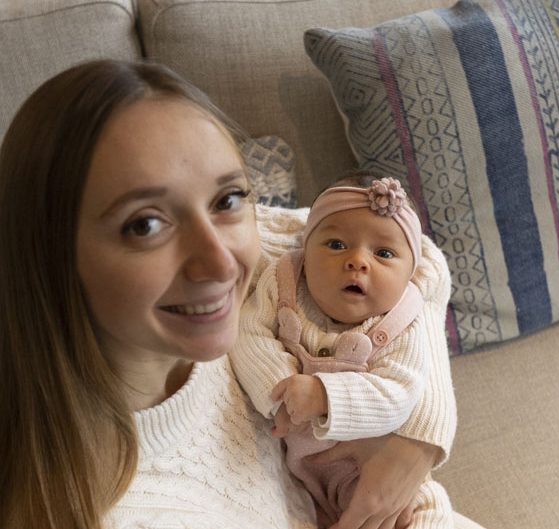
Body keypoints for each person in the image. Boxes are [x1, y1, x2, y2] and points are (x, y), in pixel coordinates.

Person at [0, 59, 476, 529]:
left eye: (227, 199)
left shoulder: (261, 261)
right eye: (145, 225)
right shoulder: (121, 509)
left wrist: (420, 433)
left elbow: (418, 256)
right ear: (45, 252)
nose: (223, 264)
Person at [232, 173, 454, 528]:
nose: (357, 260)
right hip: (303, 484)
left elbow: (400, 390)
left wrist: (324, 395)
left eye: (383, 253)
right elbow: (249, 334)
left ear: (410, 275)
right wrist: (279, 390)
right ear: (306, 251)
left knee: (431, 516)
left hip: (390, 485)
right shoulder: (283, 281)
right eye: (336, 244)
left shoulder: (403, 319)